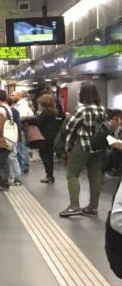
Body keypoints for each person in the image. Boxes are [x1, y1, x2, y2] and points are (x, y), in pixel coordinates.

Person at [60, 82, 108, 217]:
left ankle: (74, 205)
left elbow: (69, 127)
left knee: (72, 174)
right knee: (95, 177)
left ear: (83, 94)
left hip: (83, 145)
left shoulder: (82, 110)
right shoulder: (102, 109)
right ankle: (93, 207)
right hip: (98, 147)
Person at [32, 93, 61, 184]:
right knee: (49, 156)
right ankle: (50, 176)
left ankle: (49, 176)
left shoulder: (45, 112)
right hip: (51, 137)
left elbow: (38, 122)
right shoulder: (52, 111)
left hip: (46, 138)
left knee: (45, 156)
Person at [13, 90, 33, 175]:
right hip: (19, 128)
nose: (12, 97)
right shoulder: (20, 104)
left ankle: (24, 166)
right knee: (20, 147)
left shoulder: (23, 105)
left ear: (19, 95)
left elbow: (21, 117)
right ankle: (22, 165)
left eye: (14, 95)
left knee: (22, 147)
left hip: (21, 129)